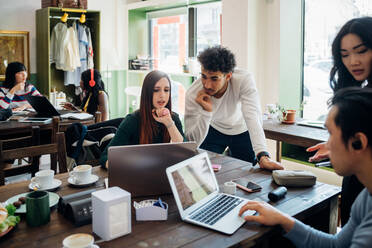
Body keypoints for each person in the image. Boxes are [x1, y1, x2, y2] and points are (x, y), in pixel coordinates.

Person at [240, 87, 372, 247]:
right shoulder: (367, 197)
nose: (326, 145)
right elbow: (335, 245)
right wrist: (282, 219)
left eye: (330, 134)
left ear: (358, 142)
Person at [306, 17, 372, 225]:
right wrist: (340, 144)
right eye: (345, 55)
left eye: (361, 51)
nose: (353, 61)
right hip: (357, 182)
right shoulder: (361, 90)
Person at [185, 46, 283, 170]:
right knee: (203, 168)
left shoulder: (244, 79)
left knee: (248, 172)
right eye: (203, 76)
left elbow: (252, 115)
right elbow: (191, 142)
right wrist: (206, 112)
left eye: (214, 78)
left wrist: (263, 154)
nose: (207, 85)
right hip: (213, 128)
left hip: (242, 129)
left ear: (228, 76)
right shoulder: (193, 93)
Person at [100, 70, 185, 167]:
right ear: (147, 92)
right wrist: (125, 166)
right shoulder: (132, 120)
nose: (162, 95)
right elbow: (105, 157)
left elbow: (184, 151)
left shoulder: (173, 118)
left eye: (166, 90)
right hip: (137, 172)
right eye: (156, 90)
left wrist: (169, 123)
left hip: (163, 171)